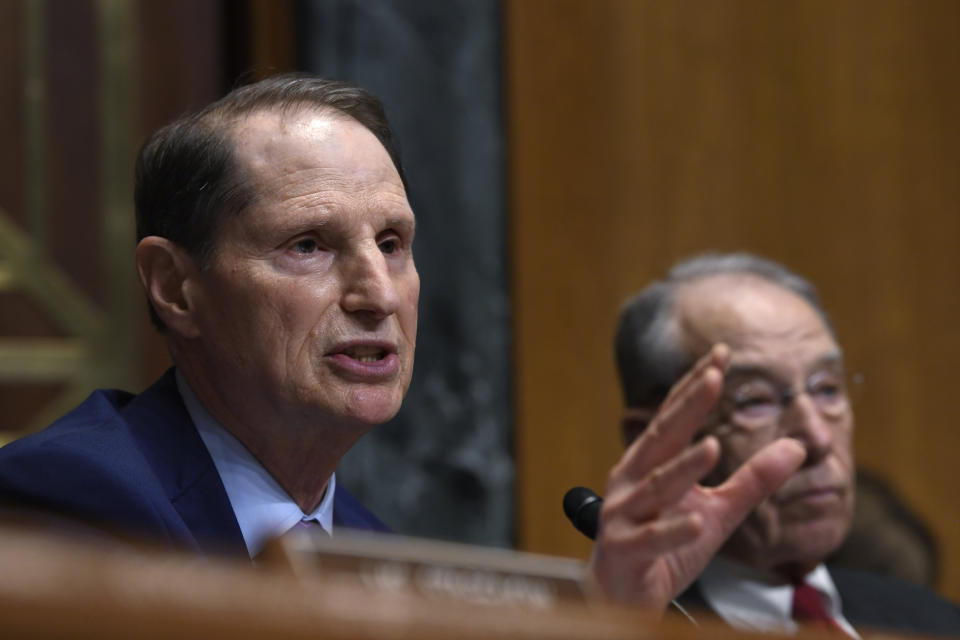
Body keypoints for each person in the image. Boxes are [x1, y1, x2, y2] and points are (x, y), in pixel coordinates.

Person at [0, 74, 803, 615]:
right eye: (309, 245)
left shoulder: (380, 558)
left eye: (392, 241)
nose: (378, 294)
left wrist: (613, 619)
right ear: (177, 288)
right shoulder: (75, 503)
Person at [611, 252, 960, 635]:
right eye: (755, 400)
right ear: (652, 442)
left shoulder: (937, 623)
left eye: (827, 389)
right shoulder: (629, 623)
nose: (818, 439)